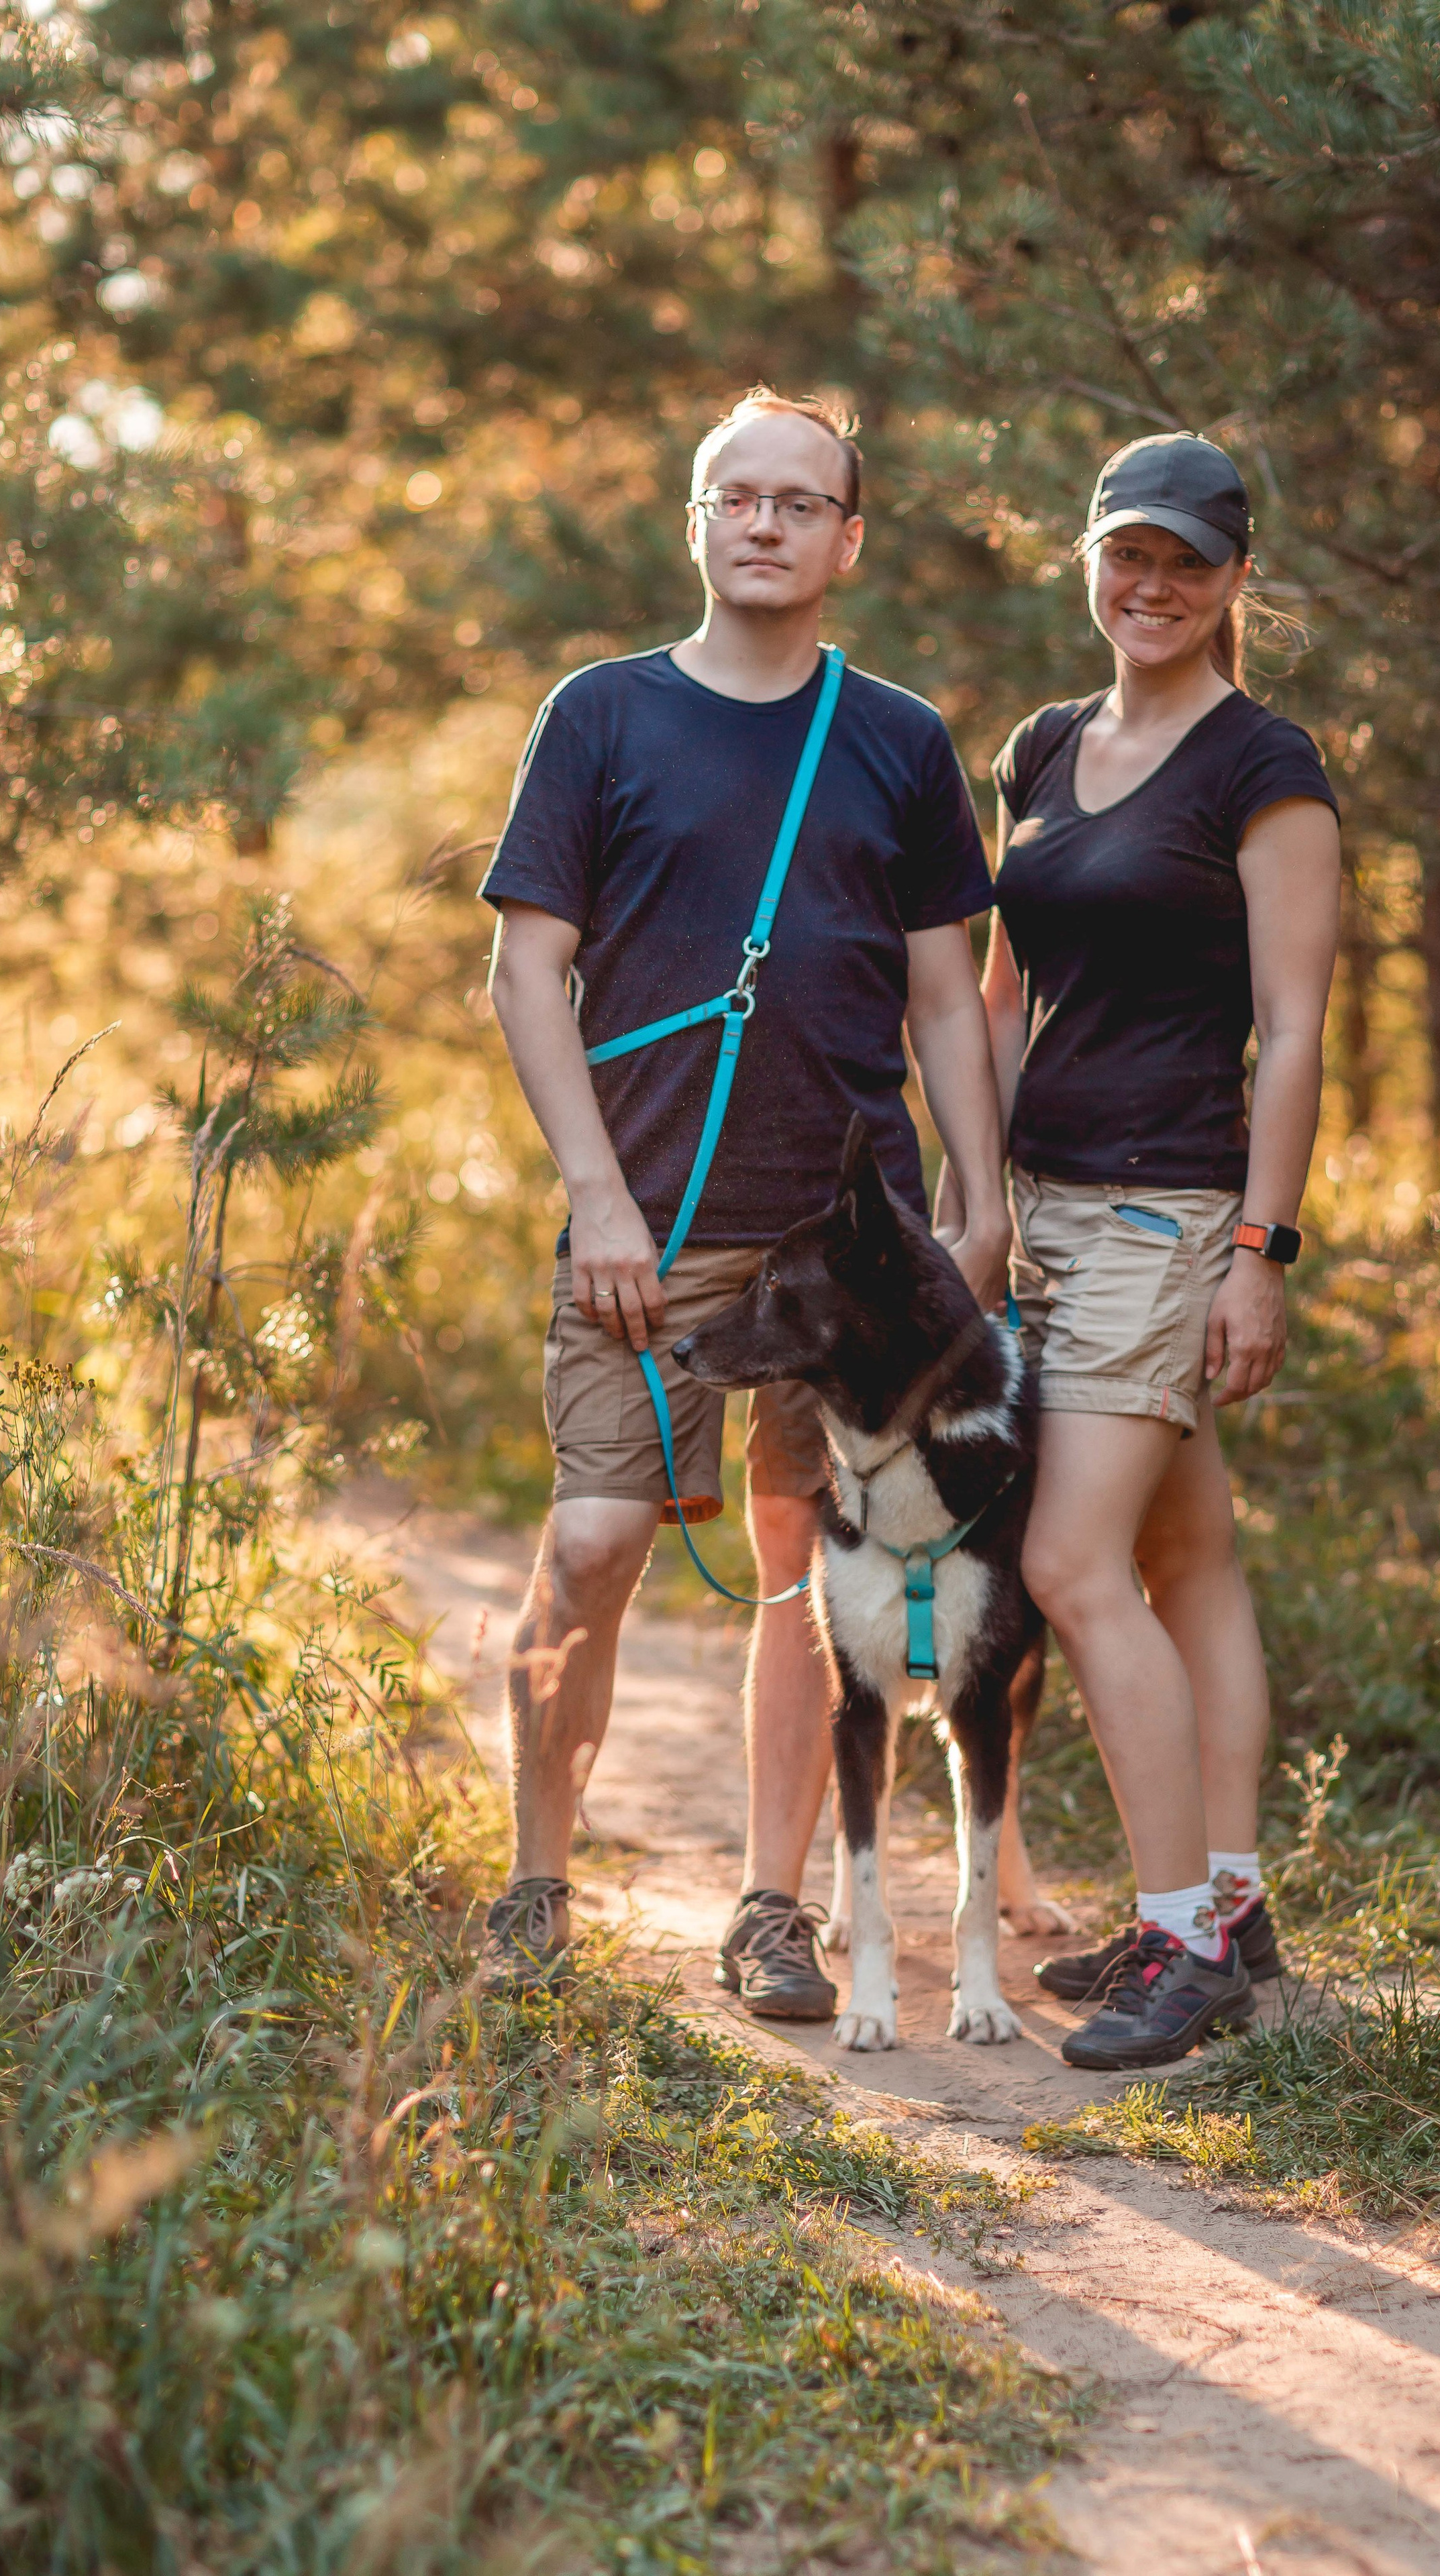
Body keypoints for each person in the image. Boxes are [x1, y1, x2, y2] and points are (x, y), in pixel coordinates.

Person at [478, 387, 1011, 2012]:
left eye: (801, 501)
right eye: (738, 497)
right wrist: (600, 1200)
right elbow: (523, 970)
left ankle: (773, 1906)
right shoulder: (601, 716)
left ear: (847, 538)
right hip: (643, 1228)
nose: (766, 522)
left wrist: (975, 1198)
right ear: (696, 524)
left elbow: (942, 994)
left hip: (848, 1253)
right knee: (592, 1542)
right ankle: (535, 1884)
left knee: (813, 1576)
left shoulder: (897, 739)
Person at [942, 433, 1341, 2068]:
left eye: (1186, 561)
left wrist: (1258, 1247)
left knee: (1065, 1567)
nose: (1152, 587)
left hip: (1167, 1203)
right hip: (1047, 1207)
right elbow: (998, 997)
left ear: (1236, 578)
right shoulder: (1040, 747)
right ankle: (1230, 1910)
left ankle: (1179, 1944)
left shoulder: (1266, 764)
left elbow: (1297, 1024)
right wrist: (975, 1208)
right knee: (1183, 1561)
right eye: (1128, 556)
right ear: (1088, 565)